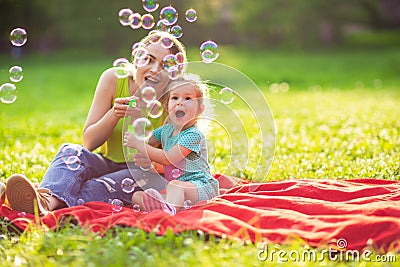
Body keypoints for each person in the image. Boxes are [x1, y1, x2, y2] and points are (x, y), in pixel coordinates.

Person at [4, 31, 187, 215]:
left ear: (173, 75)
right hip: (104, 162)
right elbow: (89, 143)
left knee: (99, 185)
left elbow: (174, 163)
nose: (155, 69)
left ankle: (41, 202)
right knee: (71, 151)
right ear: (136, 59)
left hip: (139, 173)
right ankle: (44, 200)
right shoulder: (114, 79)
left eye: (165, 66)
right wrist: (113, 115)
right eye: (148, 59)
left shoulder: (174, 100)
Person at [124, 75, 219, 215]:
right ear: (167, 107)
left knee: (175, 186)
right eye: (175, 98)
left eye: (188, 98)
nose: (180, 102)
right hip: (177, 191)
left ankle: (168, 211)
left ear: (200, 110)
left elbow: (167, 158)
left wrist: (140, 146)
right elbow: (144, 140)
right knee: (137, 197)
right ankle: (173, 207)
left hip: (201, 187)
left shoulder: (193, 135)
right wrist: (135, 115)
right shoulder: (166, 130)